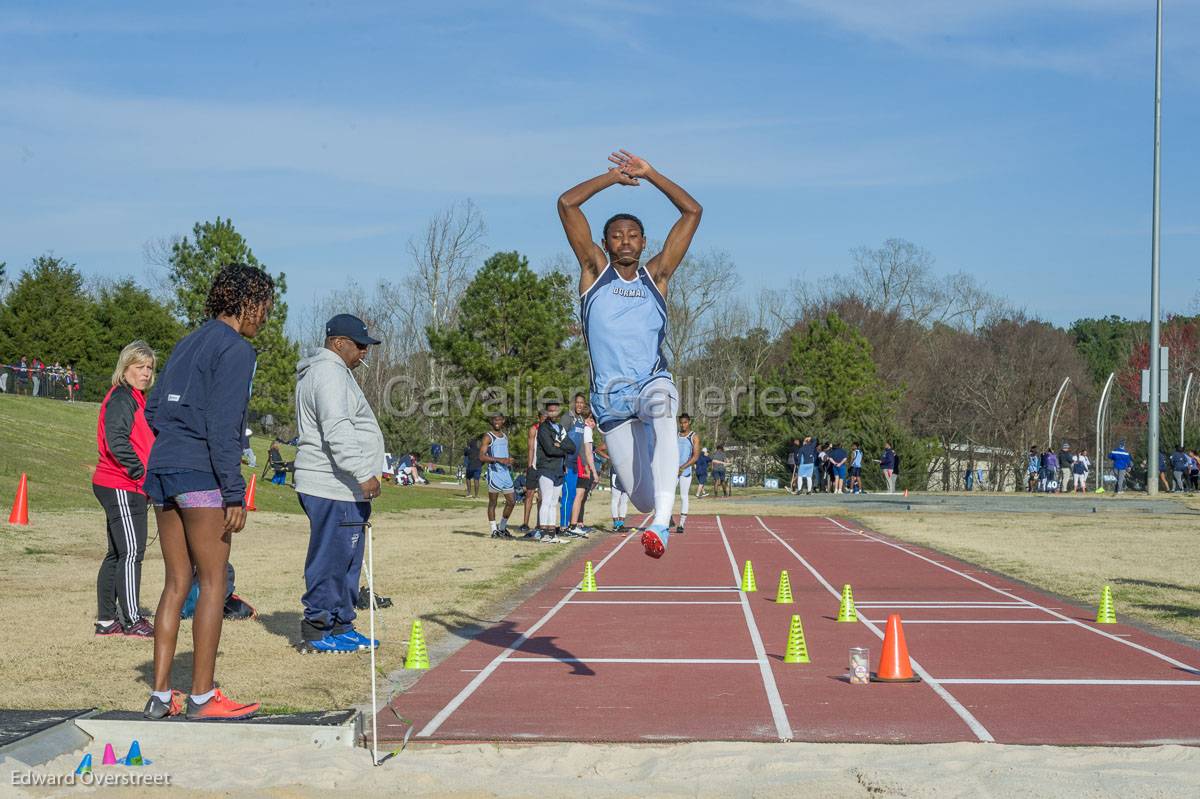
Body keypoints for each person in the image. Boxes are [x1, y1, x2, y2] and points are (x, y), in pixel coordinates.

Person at [143, 263, 272, 721]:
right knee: (213, 580)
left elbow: (153, 408)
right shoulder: (237, 349)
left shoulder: (186, 342)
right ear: (247, 302)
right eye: (266, 308)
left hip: (162, 468)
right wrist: (234, 492)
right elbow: (224, 425)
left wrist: (176, 439)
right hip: (201, 474)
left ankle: (160, 695)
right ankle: (201, 696)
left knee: (176, 582)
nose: (266, 318)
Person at [558, 149, 702, 558]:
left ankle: (662, 525)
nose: (625, 240)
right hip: (610, 399)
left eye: (633, 235)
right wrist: (613, 178)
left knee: (664, 409)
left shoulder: (656, 276)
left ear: (644, 242)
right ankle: (653, 513)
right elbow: (567, 203)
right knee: (640, 498)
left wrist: (651, 173)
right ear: (605, 242)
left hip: (650, 382)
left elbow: (692, 212)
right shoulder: (593, 272)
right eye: (617, 235)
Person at [294, 313, 385, 655]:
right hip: (332, 483)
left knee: (347, 558)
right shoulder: (329, 373)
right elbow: (337, 429)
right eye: (360, 345)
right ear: (338, 343)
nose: (364, 352)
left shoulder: (337, 373)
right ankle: (317, 629)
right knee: (331, 559)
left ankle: (342, 624)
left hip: (342, 486)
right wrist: (363, 472)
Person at [93, 341, 158, 640]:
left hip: (121, 484)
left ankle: (107, 621)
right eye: (139, 367)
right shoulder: (122, 397)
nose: (145, 373)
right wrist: (140, 473)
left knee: (117, 552)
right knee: (131, 552)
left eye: (149, 368)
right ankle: (132, 620)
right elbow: (116, 441)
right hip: (121, 483)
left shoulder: (137, 398)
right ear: (125, 367)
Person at [532, 399, 576, 543]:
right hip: (546, 468)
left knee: (553, 502)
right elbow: (550, 450)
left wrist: (559, 445)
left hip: (558, 469)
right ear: (546, 412)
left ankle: (552, 534)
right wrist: (559, 448)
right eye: (550, 410)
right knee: (546, 500)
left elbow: (572, 447)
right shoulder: (543, 428)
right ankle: (544, 534)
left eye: (555, 410)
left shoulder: (560, 428)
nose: (553, 413)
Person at [481, 414, 517, 538]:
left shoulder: (505, 436)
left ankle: (502, 527)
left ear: (503, 421)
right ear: (491, 421)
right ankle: (493, 530)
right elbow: (482, 456)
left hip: (506, 474)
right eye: (494, 420)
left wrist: (508, 460)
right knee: (493, 503)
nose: (497, 422)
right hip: (494, 473)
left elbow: (504, 454)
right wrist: (499, 460)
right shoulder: (488, 436)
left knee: (512, 501)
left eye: (499, 420)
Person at [567, 408, 599, 538]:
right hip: (582, 466)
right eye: (593, 421)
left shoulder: (583, 429)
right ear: (589, 419)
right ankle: (573, 525)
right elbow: (588, 452)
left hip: (580, 464)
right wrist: (594, 472)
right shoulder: (587, 430)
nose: (594, 424)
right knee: (579, 495)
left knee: (580, 496)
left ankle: (575, 524)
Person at [520, 409, 547, 531]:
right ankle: (525, 523)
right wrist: (529, 465)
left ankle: (540, 523)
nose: (545, 420)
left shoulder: (551, 431)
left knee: (542, 496)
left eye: (547, 417)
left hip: (545, 468)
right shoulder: (534, 429)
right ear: (539, 417)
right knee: (529, 494)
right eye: (543, 417)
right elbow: (531, 448)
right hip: (534, 466)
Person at [674, 414, 700, 535]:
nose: (683, 425)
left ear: (689, 422)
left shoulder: (694, 437)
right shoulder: (676, 435)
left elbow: (695, 457)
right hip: (673, 471)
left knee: (684, 497)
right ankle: (667, 518)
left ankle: (681, 524)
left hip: (685, 472)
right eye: (681, 423)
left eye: (685, 422)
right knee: (669, 495)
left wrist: (683, 467)